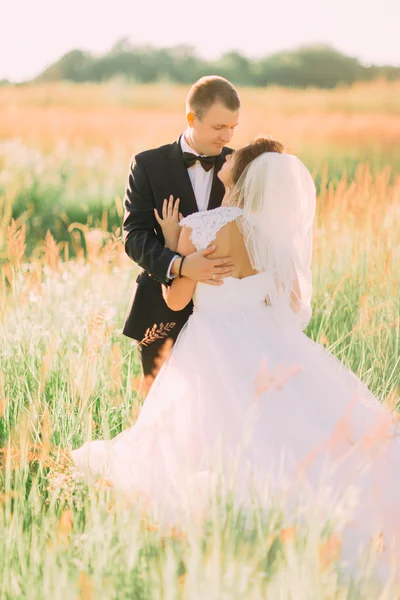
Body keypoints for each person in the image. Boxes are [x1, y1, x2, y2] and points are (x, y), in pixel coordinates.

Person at [72, 138, 400, 580]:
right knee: (281, 429)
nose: (225, 158)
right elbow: (292, 299)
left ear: (241, 175)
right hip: (266, 340)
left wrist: (171, 241)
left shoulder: (202, 226)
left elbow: (174, 300)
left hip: (210, 340)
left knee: (205, 433)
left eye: (233, 158)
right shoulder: (273, 233)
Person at [121, 75, 240, 387]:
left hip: (225, 315)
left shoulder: (238, 165)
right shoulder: (148, 164)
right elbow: (135, 236)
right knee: (161, 419)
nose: (227, 136)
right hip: (160, 312)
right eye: (219, 127)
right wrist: (181, 265)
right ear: (192, 118)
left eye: (233, 127)